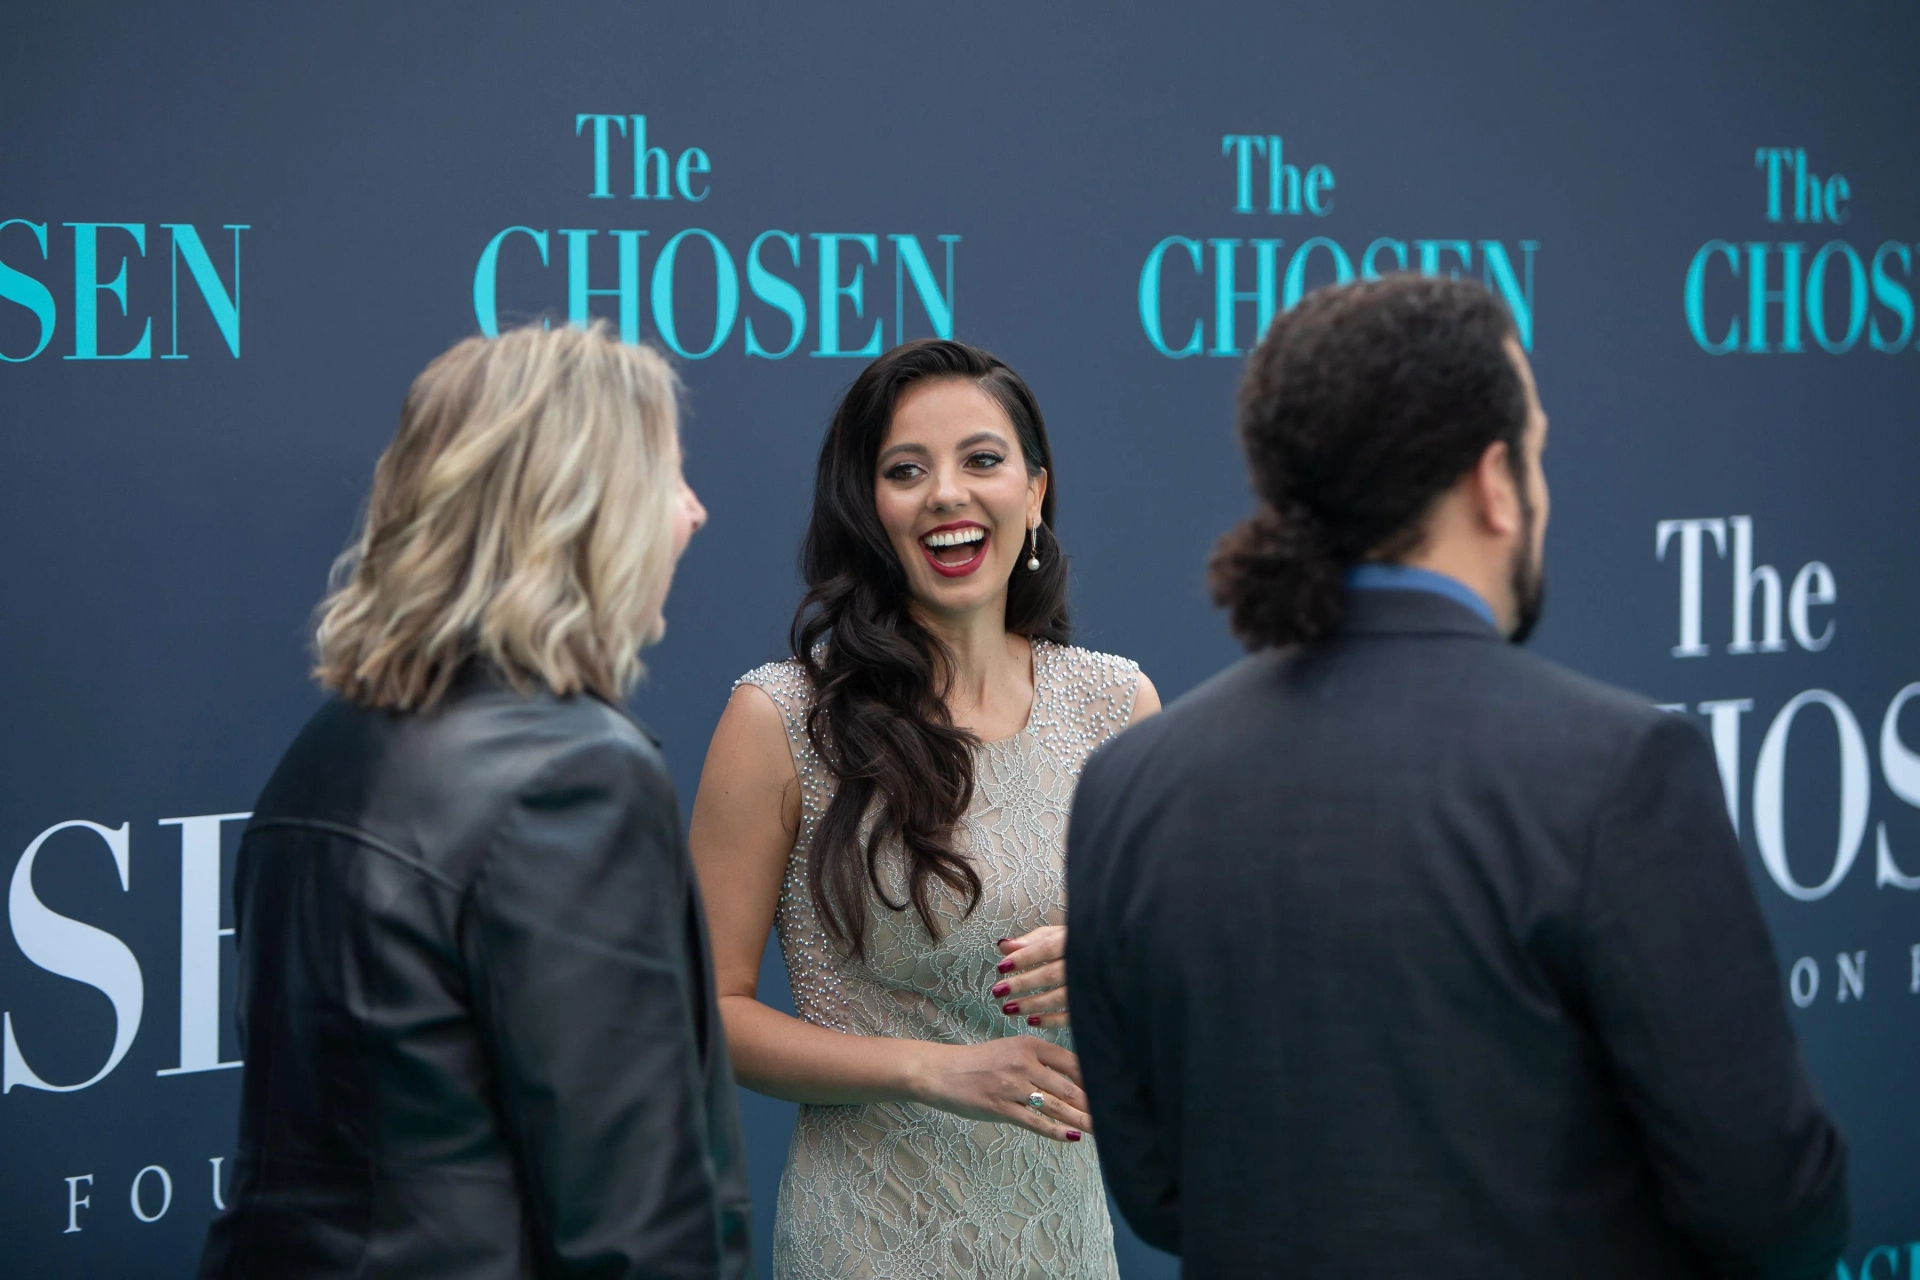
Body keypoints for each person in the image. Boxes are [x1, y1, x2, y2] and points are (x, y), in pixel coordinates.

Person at [1066, 276, 1849, 1278]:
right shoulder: (1618, 771)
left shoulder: (1130, 784)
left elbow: (1161, 1191)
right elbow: (1775, 1206)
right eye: (1538, 450)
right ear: (1494, 481)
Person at [200, 323, 751, 1280]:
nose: (695, 513)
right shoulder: (575, 779)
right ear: (584, 507)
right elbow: (636, 1229)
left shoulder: (325, 749)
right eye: (668, 478)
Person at [689, 339, 1159, 1279]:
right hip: (868, 1239)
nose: (946, 492)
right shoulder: (782, 718)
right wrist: (932, 1069)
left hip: (1064, 1241)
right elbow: (705, 1012)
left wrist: (1122, 967)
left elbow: (1195, 978)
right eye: (906, 470)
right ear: (868, 511)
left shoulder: (1116, 707)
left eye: (982, 460)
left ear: (1034, 494)